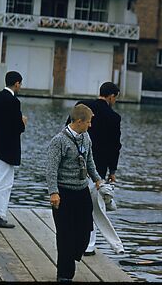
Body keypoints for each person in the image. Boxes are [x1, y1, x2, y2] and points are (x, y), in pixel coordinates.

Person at [47, 104, 103, 282]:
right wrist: (53, 192)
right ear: (79, 121)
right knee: (64, 234)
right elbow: (51, 170)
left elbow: (90, 162)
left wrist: (97, 179)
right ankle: (64, 274)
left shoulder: (86, 137)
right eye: (88, 122)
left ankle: (73, 253)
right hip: (64, 193)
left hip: (81, 191)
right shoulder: (59, 141)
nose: (90, 125)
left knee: (85, 230)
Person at [70, 82, 122, 256]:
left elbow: (67, 130)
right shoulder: (114, 118)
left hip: (74, 163)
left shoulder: (81, 106)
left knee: (77, 204)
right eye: (116, 97)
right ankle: (89, 245)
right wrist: (112, 171)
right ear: (112, 96)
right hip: (97, 168)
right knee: (93, 207)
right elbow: (115, 147)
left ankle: (75, 239)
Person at [0, 71, 27, 228]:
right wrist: (22, 122)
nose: (20, 87)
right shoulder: (13, 102)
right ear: (16, 83)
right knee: (4, 181)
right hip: (7, 146)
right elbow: (17, 127)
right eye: (20, 84)